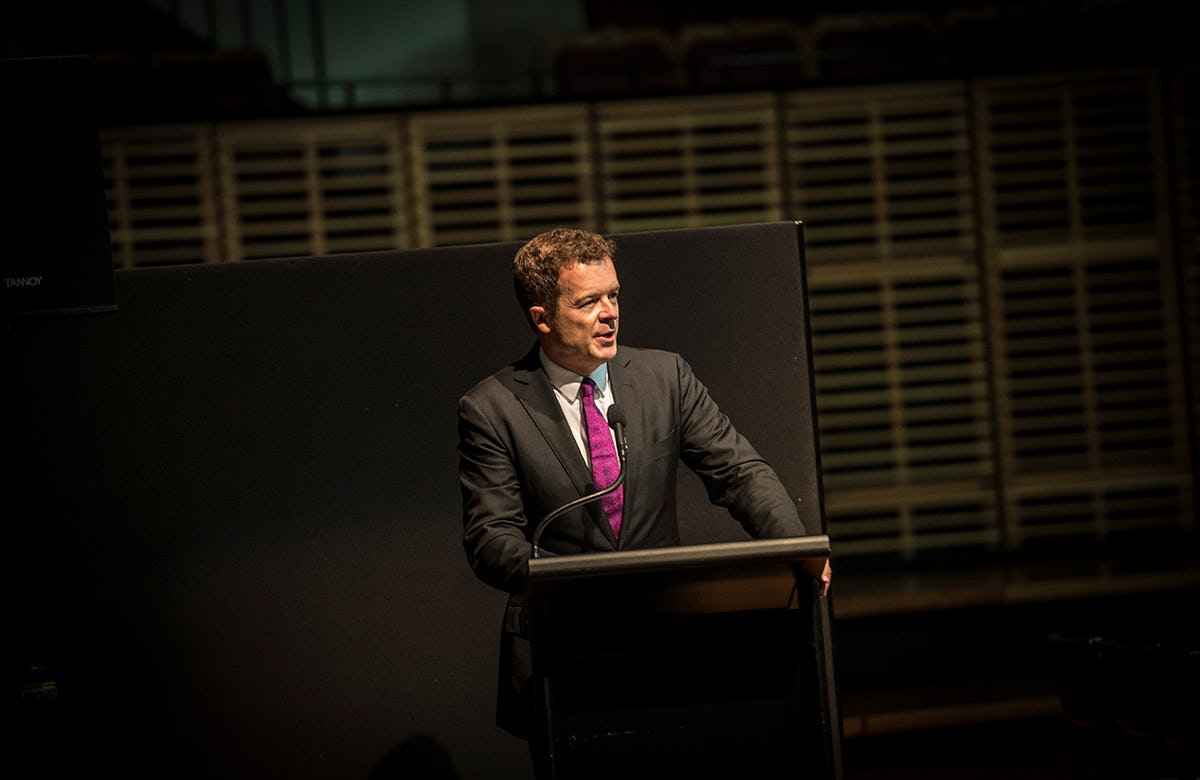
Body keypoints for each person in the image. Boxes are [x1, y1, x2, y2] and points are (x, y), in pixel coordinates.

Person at [456, 226, 832, 744]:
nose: (610, 313)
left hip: (667, 643)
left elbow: (738, 472)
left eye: (613, 295)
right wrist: (568, 581)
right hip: (562, 654)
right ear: (541, 318)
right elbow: (490, 538)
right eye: (589, 302)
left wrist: (795, 552)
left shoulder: (665, 377)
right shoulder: (492, 408)